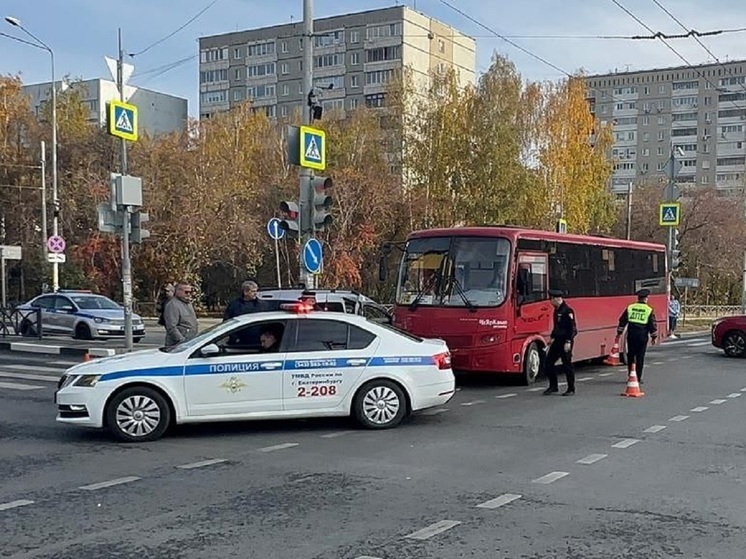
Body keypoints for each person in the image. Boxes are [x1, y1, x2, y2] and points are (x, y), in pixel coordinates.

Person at [617, 289, 658, 384]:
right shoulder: (648, 309)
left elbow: (622, 320)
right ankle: (638, 377)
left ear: (638, 298)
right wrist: (653, 337)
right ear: (646, 298)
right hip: (642, 336)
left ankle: (630, 375)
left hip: (631, 335)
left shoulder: (630, 307)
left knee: (631, 355)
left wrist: (619, 332)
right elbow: (652, 325)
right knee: (640, 357)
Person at [543, 289, 578, 396]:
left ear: (556, 299)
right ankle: (553, 386)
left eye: (551, 299)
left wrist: (568, 341)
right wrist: (552, 337)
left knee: (567, 364)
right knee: (548, 363)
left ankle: (571, 388)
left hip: (565, 342)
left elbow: (572, 329)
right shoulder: (556, 310)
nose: (550, 302)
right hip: (557, 341)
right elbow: (557, 327)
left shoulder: (568, 311)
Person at [163, 282, 199, 347]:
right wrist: (182, 341)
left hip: (189, 342)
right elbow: (171, 327)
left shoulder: (188, 303)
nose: (189, 294)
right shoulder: (173, 305)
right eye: (186, 292)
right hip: (178, 346)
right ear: (178, 291)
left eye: (190, 292)